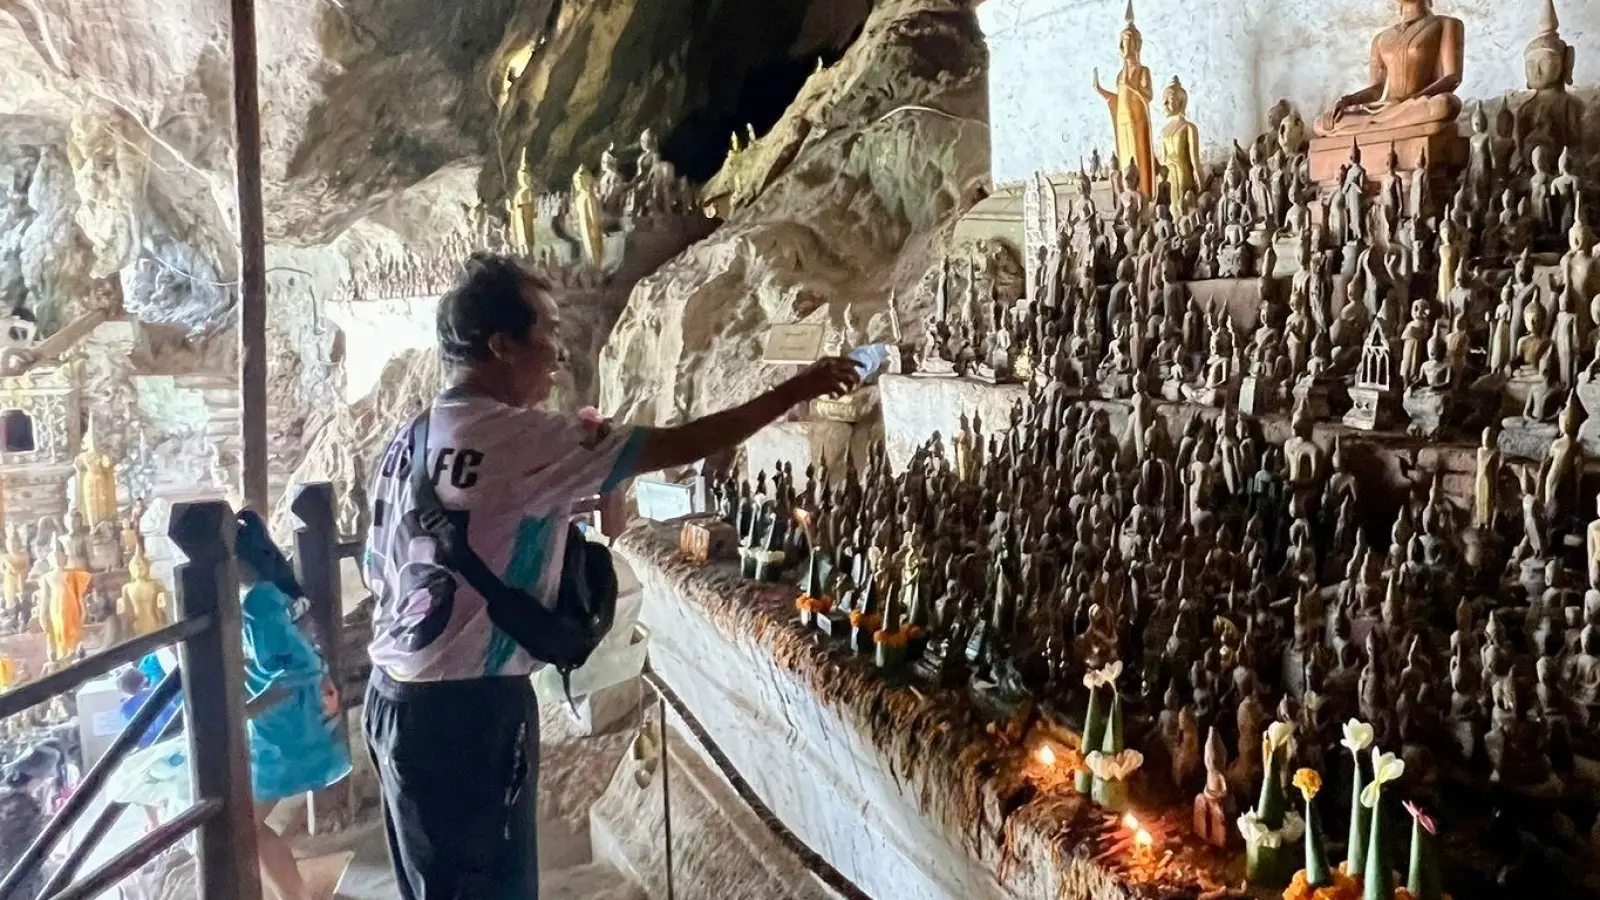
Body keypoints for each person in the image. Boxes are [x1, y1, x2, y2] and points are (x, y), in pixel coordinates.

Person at [361, 252, 859, 899]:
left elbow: (389, 565)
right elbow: (682, 442)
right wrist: (799, 389)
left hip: (397, 701)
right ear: (501, 346)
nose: (557, 355)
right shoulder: (515, 436)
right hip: (467, 717)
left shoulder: (411, 440)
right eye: (546, 334)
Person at [108, 511, 351, 900]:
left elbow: (294, 671)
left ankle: (295, 897)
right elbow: (305, 658)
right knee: (245, 825)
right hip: (284, 724)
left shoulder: (257, 605)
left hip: (280, 730)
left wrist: (245, 711)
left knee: (242, 826)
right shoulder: (272, 595)